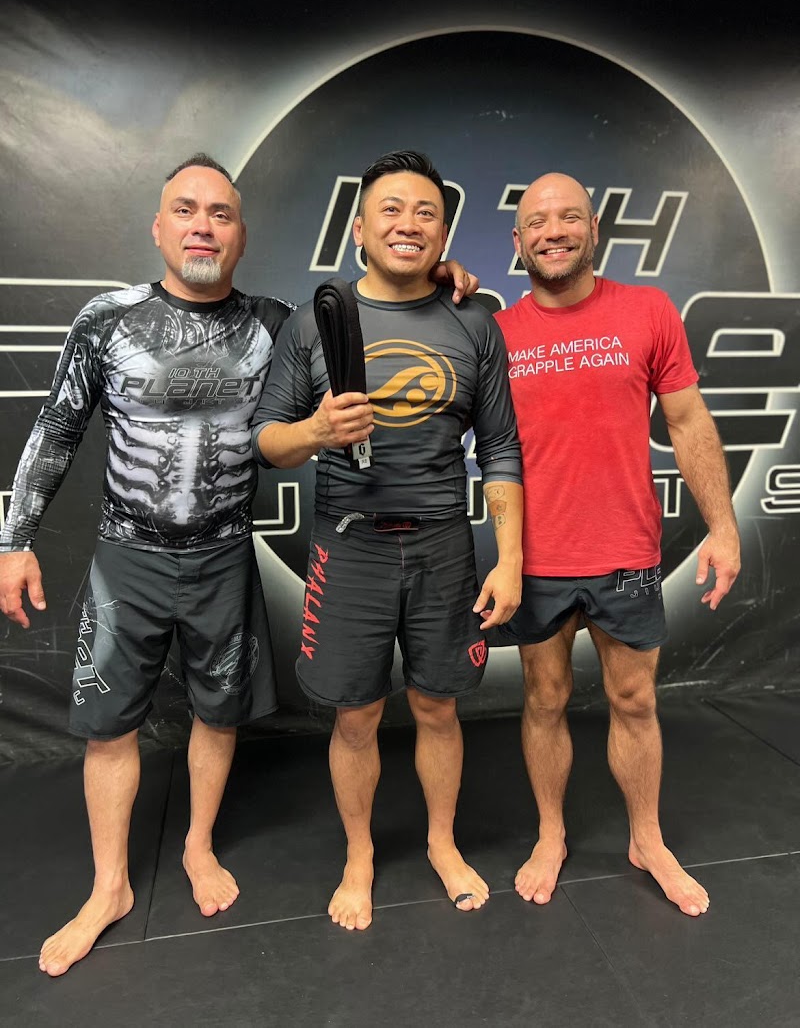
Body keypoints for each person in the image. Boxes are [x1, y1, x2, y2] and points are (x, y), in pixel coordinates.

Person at [0, 152, 480, 976]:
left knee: (216, 714)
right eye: (186, 210)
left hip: (223, 554)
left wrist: (438, 272)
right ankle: (109, 886)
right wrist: (14, 541)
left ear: (242, 236)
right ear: (158, 226)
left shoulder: (276, 322)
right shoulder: (107, 319)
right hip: (127, 557)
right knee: (108, 727)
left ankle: (196, 844)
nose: (203, 226)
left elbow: (364, 314)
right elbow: (56, 426)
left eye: (220, 214)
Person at [252, 150, 523, 931]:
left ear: (444, 232)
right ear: (360, 227)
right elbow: (267, 440)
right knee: (355, 717)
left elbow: (501, 450)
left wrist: (510, 558)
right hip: (350, 549)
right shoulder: (318, 319)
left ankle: (441, 842)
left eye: (426, 212)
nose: (409, 224)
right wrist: (315, 429)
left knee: (438, 707)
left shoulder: (474, 322)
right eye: (391, 210)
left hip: (444, 547)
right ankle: (360, 855)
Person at [495, 172, 741, 917]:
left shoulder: (647, 311)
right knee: (544, 698)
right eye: (539, 222)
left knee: (634, 699)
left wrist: (723, 526)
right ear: (518, 241)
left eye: (570, 217)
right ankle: (551, 834)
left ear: (593, 229)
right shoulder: (495, 332)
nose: (554, 231)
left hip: (625, 551)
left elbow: (688, 422)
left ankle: (647, 839)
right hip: (536, 558)